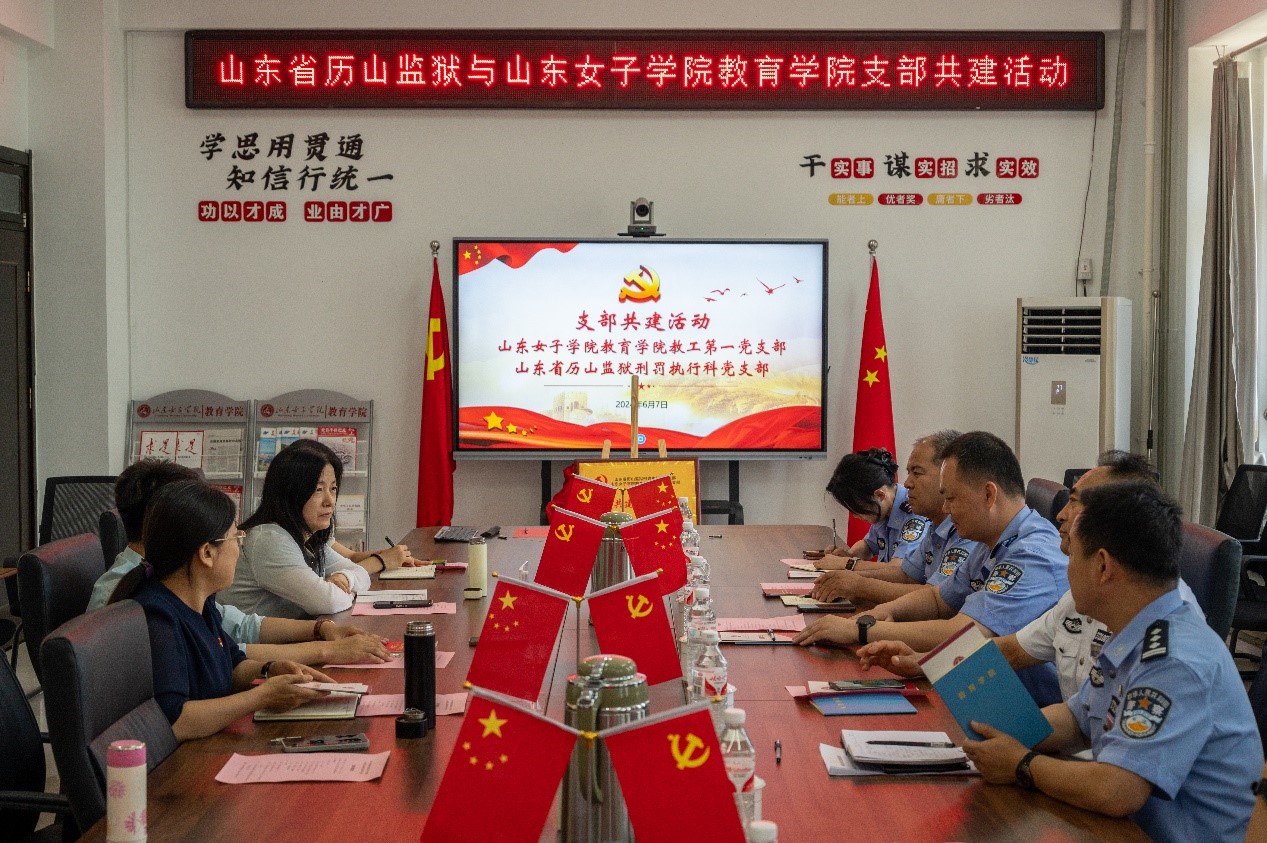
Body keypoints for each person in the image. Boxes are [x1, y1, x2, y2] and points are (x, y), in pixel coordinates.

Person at [961, 481, 1262, 842]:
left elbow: (1116, 791)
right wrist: (992, 730)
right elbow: (1077, 719)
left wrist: (1021, 764)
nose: (1067, 569)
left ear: (1102, 566)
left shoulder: (1174, 660)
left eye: (1073, 556)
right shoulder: (1134, 629)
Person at [859, 450, 1190, 702]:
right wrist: (926, 663)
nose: (1061, 514)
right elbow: (1010, 651)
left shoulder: (1171, 650)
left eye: (1075, 502)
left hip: (1046, 723)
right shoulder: (1079, 598)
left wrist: (1023, 762)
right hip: (1055, 738)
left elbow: (1116, 777)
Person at [793, 431, 1067, 704]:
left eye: (952, 498)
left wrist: (861, 631)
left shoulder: (1032, 554)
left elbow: (966, 633)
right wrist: (884, 612)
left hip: (1026, 706)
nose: (946, 509)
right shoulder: (990, 540)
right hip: (979, 685)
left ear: (988, 494)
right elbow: (938, 599)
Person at [92, 459, 390, 665]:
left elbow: (240, 626)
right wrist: (325, 650)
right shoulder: (134, 595)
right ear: (170, 517)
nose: (237, 544)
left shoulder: (175, 575)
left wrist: (321, 631)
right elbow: (221, 657)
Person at [111, 479, 332, 741]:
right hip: (185, 759)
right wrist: (261, 696)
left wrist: (270, 669)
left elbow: (232, 663)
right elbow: (176, 720)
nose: (239, 548)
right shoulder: (157, 616)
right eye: (235, 538)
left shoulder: (201, 603)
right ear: (207, 553)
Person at [222, 439, 413, 618]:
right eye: (318, 490)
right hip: (257, 643)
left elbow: (353, 570)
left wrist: (345, 578)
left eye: (333, 489)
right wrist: (376, 564)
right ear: (290, 494)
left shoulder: (307, 536)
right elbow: (330, 601)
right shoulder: (269, 539)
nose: (330, 501)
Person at [813, 430, 986, 605]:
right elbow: (906, 575)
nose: (907, 483)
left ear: (947, 475)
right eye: (908, 473)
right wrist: (847, 575)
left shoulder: (964, 529)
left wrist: (854, 577)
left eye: (917, 473)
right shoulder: (936, 524)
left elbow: (937, 598)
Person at [814, 447, 929, 581]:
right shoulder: (885, 509)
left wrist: (847, 564)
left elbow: (898, 570)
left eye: (859, 509)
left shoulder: (914, 512)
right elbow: (869, 546)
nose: (855, 516)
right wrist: (848, 555)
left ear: (880, 495)